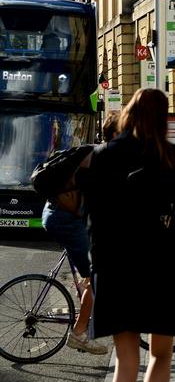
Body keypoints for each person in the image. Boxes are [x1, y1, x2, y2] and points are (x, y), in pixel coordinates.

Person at [77, 88, 175, 382]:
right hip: (160, 264)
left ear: (128, 112)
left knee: (125, 363)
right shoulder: (171, 155)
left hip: (116, 266)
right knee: (161, 355)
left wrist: (95, 269)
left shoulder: (105, 154)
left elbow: (91, 218)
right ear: (163, 118)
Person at [41, 145, 108, 356]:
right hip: (66, 220)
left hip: (55, 213)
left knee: (89, 272)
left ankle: (83, 287)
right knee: (97, 277)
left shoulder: (87, 151)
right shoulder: (98, 157)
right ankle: (79, 334)